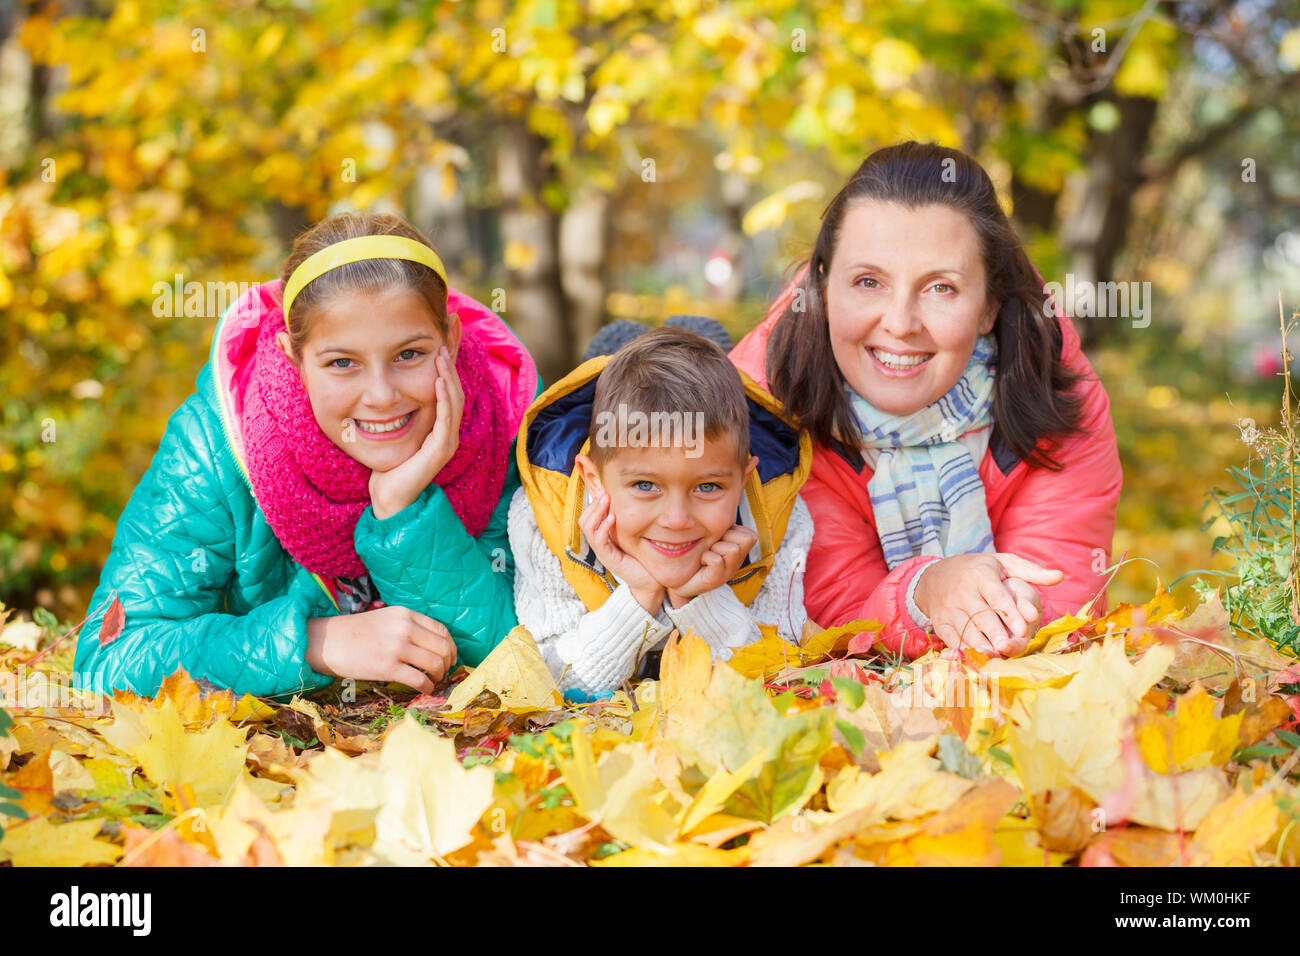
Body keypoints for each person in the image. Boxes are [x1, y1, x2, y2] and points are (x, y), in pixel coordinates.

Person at [73, 212, 538, 698]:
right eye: (342, 363)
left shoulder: (503, 432)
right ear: (294, 359)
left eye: (409, 355)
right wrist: (312, 643)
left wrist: (404, 510)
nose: (381, 395)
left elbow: (518, 658)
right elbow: (109, 661)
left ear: (451, 339)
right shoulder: (209, 447)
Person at [730, 141, 1121, 661]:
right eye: (868, 282)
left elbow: (1065, 585)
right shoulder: (764, 403)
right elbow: (820, 606)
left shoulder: (1057, 386)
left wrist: (1022, 615)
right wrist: (924, 593)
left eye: (941, 288)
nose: (899, 323)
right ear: (824, 289)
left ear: (988, 307)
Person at [509, 326, 813, 698]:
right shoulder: (545, 519)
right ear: (594, 479)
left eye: (707, 487)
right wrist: (639, 594)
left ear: (742, 479)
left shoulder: (779, 512)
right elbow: (553, 680)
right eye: (646, 486)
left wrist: (700, 600)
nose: (676, 519)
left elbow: (777, 674)